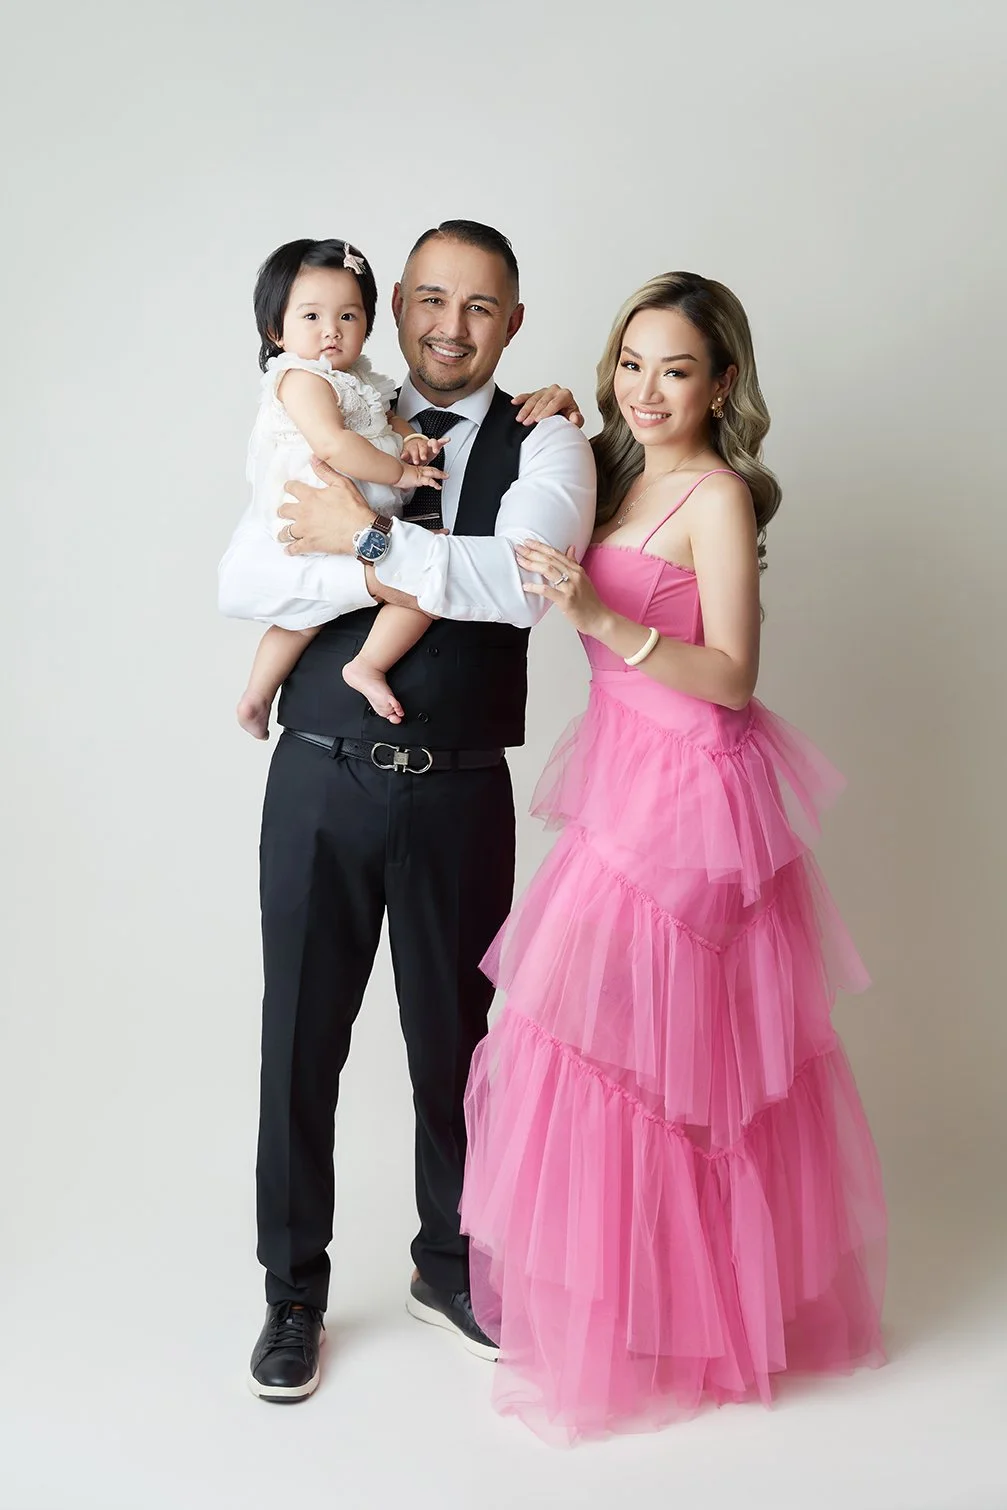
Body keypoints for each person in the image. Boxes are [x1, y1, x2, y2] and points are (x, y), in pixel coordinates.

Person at [459, 272, 888, 1444]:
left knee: (680, 1072)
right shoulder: (612, 460)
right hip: (616, 774)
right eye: (630, 363)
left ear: (723, 382)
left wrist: (604, 623)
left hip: (692, 790)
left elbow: (734, 676)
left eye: (675, 369)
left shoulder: (714, 495)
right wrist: (542, 413)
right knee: (592, 1049)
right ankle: (635, 1297)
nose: (645, 390)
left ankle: (696, 1320)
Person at [217, 220, 596, 1401]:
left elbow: (525, 586)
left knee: (460, 1044)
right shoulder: (338, 419)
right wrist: (373, 552)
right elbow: (244, 580)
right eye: (428, 299)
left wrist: (364, 539)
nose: (448, 326)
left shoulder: (551, 445)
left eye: (478, 307)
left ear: (514, 321)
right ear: (396, 313)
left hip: (460, 788)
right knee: (300, 1043)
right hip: (320, 773)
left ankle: (451, 1265)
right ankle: (292, 1292)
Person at [236, 237, 449, 737]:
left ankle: (257, 696)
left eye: (348, 317)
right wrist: (403, 473)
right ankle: (362, 666)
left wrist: (410, 438)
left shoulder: (360, 377)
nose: (331, 331)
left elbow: (385, 417)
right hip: (313, 508)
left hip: (353, 512)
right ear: (276, 329)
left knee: (307, 617)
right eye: (311, 317)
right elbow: (333, 445)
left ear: (369, 324)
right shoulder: (300, 378)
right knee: (424, 582)